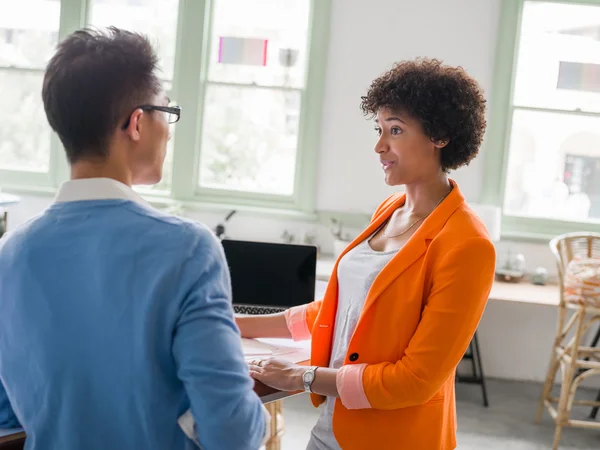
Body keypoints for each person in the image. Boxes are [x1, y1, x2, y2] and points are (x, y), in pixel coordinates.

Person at [0, 27, 268, 450]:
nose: (169, 129)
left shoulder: (8, 255)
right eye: (168, 112)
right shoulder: (189, 249)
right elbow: (233, 431)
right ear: (137, 122)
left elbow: (8, 415)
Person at [237, 58, 496, 450]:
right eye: (379, 129)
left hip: (396, 438)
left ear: (440, 135)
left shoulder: (468, 244)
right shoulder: (389, 211)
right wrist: (236, 323)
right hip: (333, 428)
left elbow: (415, 380)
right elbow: (343, 308)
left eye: (395, 130)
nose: (379, 146)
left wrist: (302, 377)